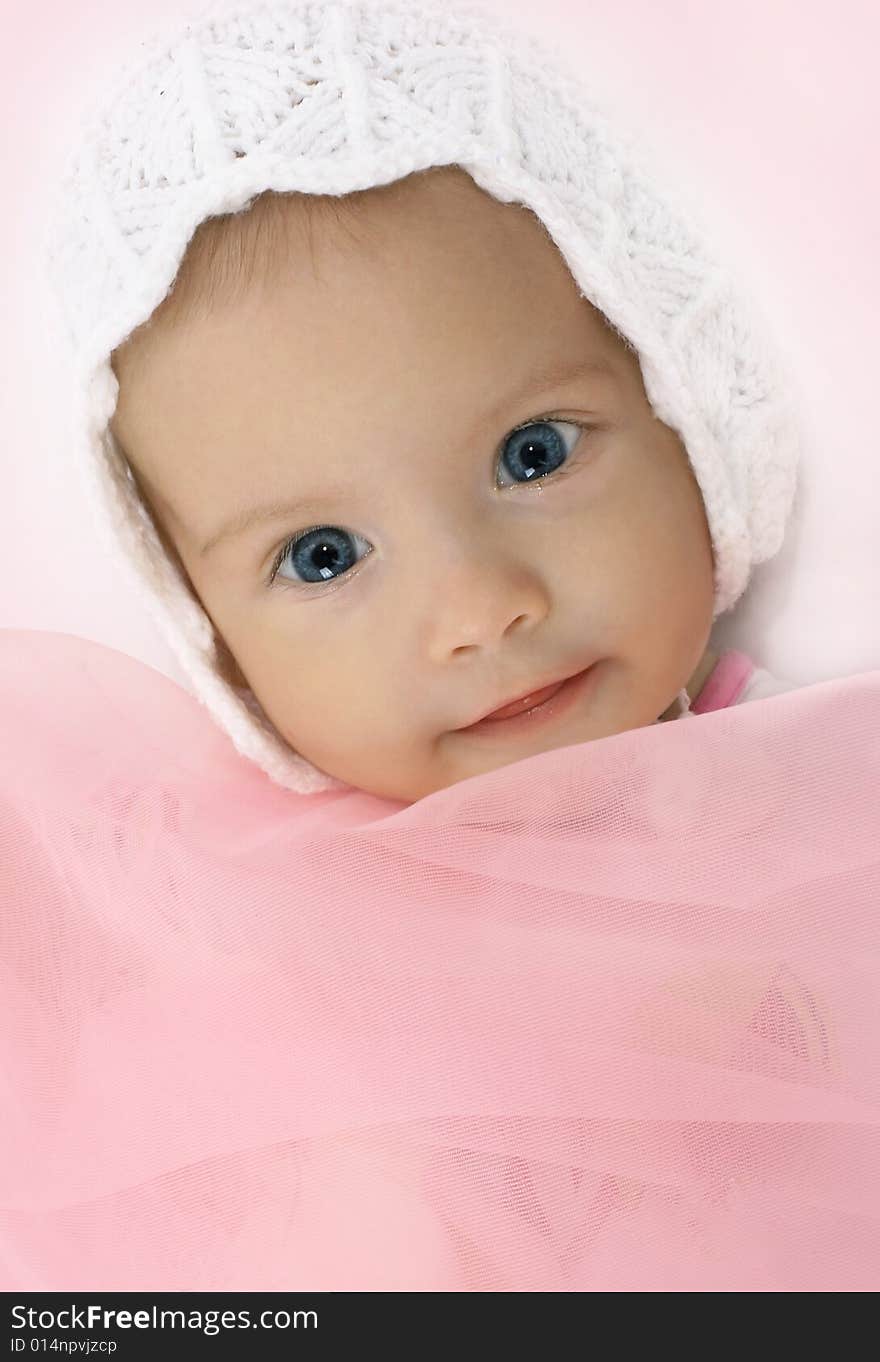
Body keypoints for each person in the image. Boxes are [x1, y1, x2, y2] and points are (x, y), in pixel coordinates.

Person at [43, 0, 802, 804]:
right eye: (322, 555)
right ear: (214, 640)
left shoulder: (819, 786)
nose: (480, 612)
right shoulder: (240, 904)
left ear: (680, 406)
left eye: (533, 453)